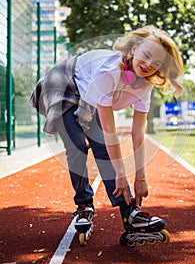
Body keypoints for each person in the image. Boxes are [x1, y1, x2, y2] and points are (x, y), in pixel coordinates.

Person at [29, 26, 183, 244]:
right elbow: (109, 131)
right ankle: (84, 204)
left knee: (102, 148)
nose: (148, 65)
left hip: (87, 90)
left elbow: (138, 132)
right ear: (135, 48)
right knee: (77, 145)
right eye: (146, 56)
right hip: (62, 82)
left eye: (156, 64)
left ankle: (130, 214)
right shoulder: (108, 72)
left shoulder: (144, 85)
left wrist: (140, 178)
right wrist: (121, 173)